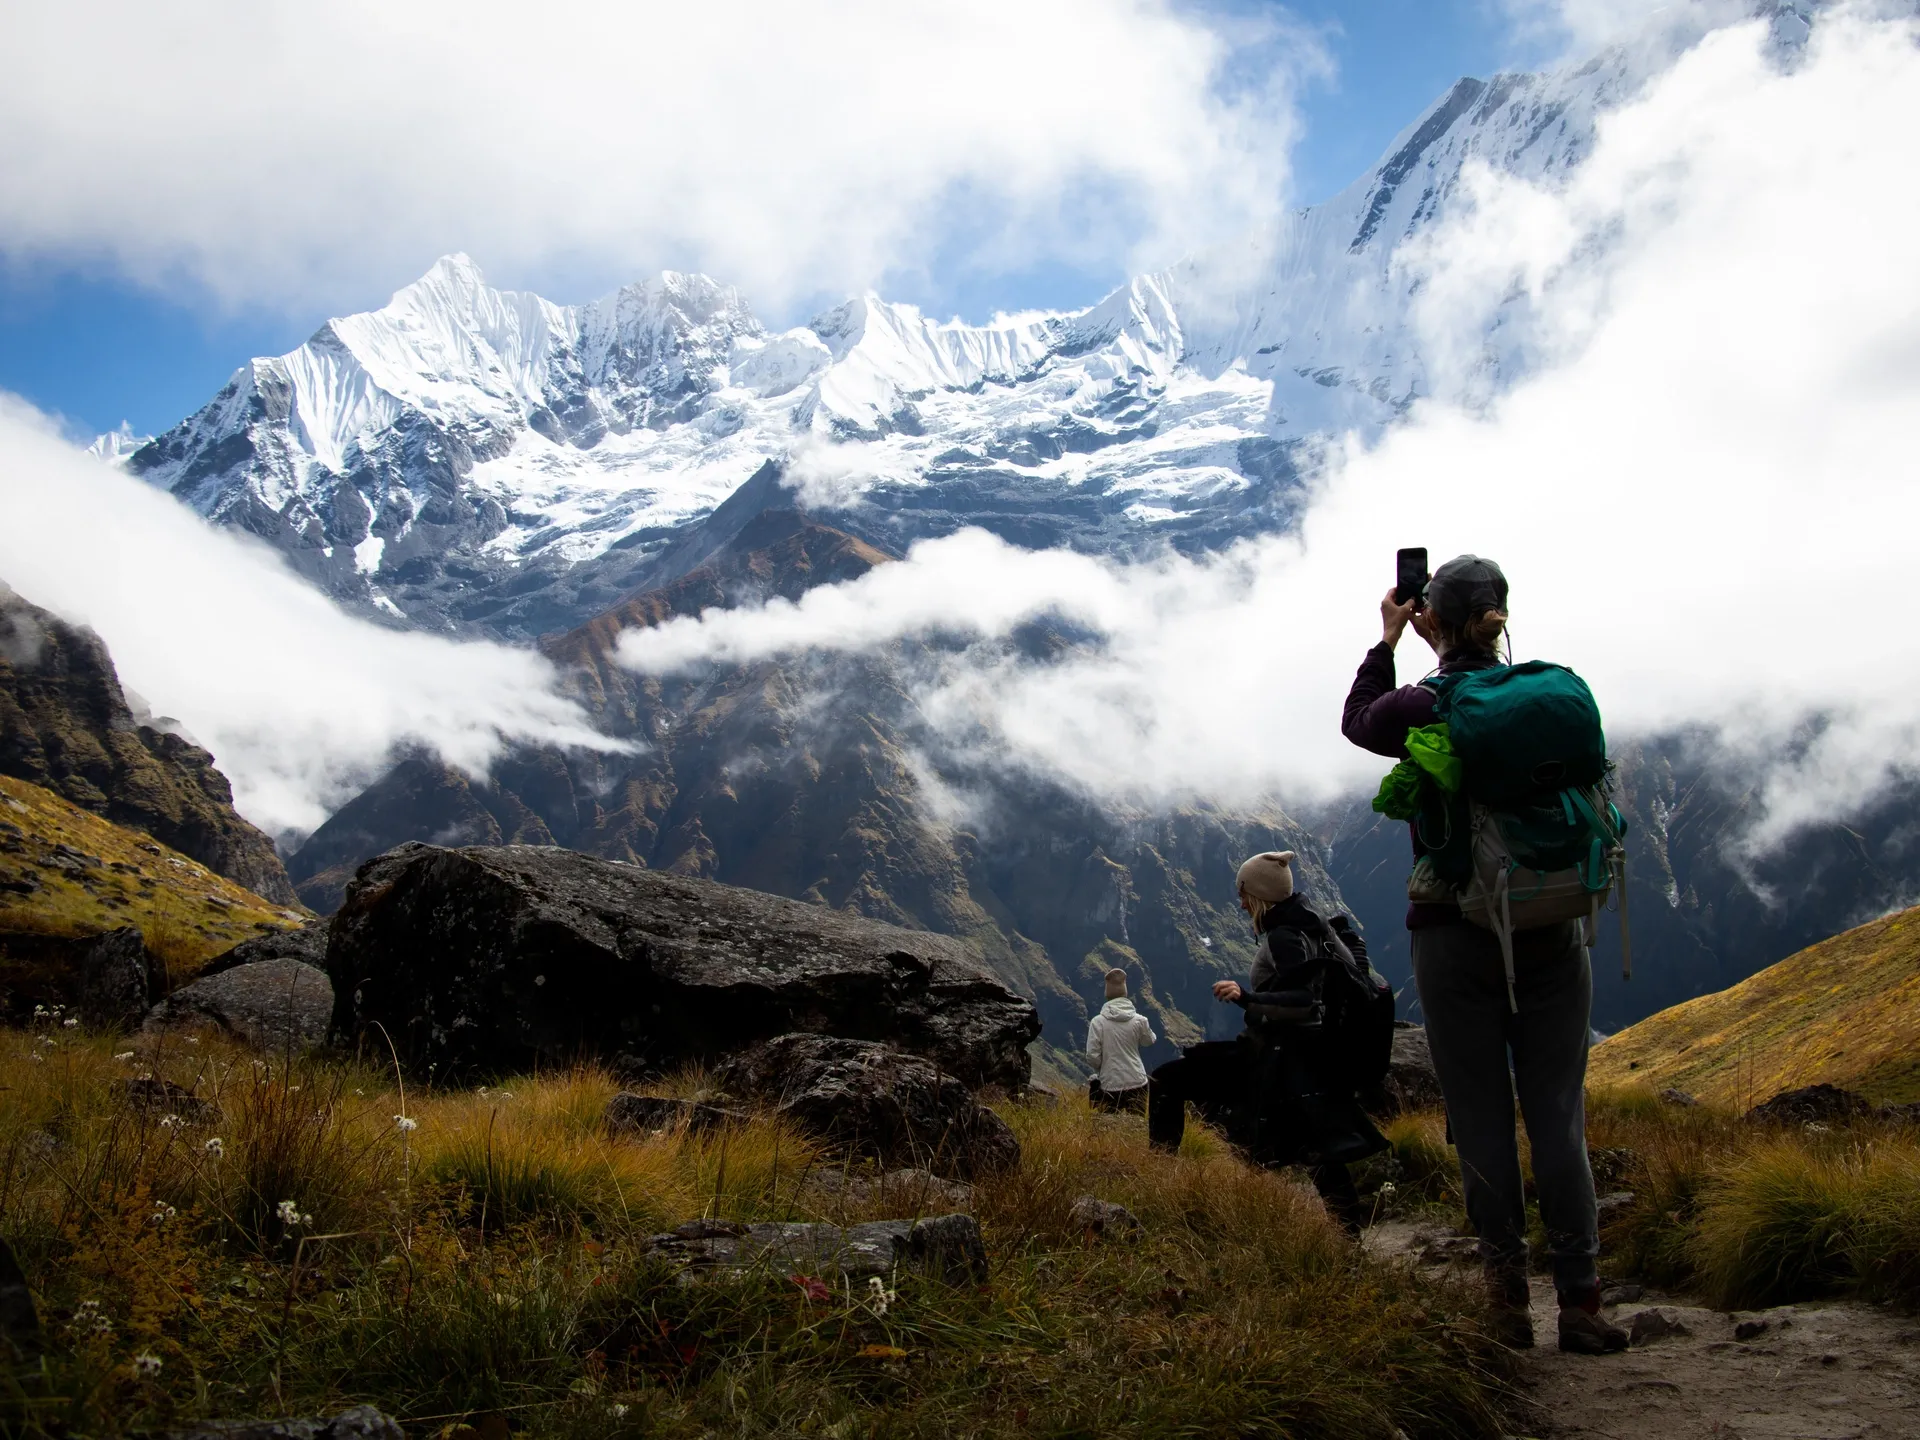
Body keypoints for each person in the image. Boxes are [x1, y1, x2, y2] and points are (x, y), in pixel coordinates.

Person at [1341, 554, 1627, 1355]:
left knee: (1482, 1118)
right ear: (1499, 615)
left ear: (1435, 617)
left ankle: (1506, 1303)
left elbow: (1358, 718)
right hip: (1553, 928)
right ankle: (1583, 1302)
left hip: (1454, 931)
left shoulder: (1427, 704)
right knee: (1558, 1118)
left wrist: (1391, 639)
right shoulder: (1547, 696)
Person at [1208, 850, 1386, 1235]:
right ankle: (1346, 1234)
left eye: (1243, 894)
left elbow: (1304, 1000)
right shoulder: (1310, 924)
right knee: (1318, 1147)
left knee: (1250, 1132)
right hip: (1316, 1053)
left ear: (1259, 895)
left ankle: (1250, 1224)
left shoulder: (1284, 936)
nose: (1240, 903)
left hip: (1292, 1057)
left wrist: (1246, 997)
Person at [1085, 967, 1155, 1113]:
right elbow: (1149, 1041)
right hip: (1138, 1081)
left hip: (1109, 1084)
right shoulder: (1140, 1020)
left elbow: (1092, 1057)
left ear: (1107, 994)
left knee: (1108, 1129)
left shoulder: (1098, 1022)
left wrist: (1102, 1067)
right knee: (1137, 1126)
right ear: (1125, 992)